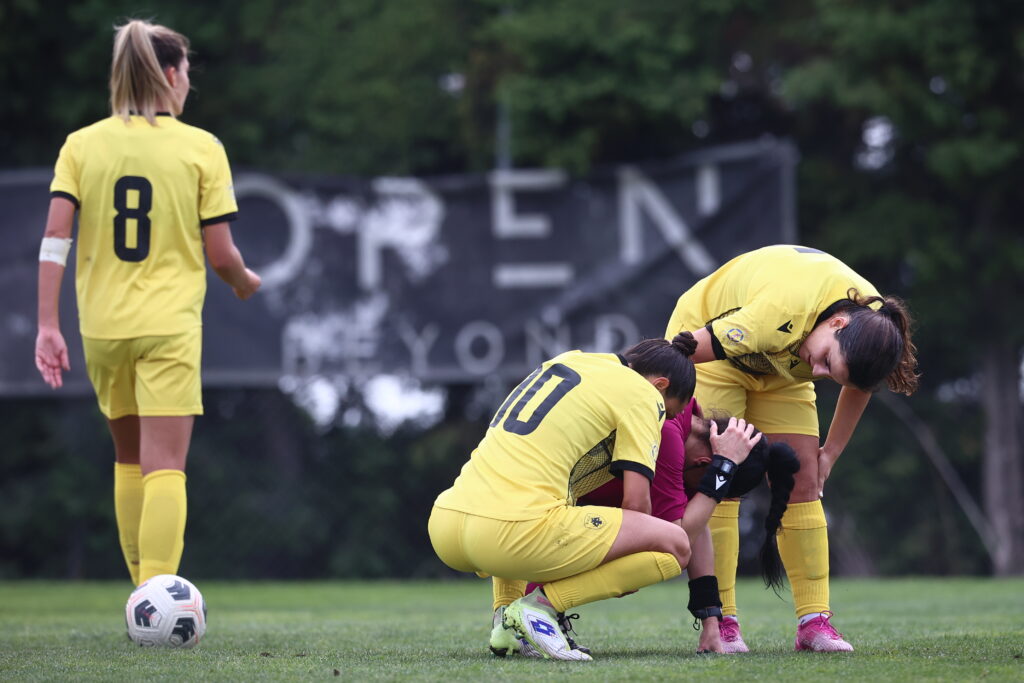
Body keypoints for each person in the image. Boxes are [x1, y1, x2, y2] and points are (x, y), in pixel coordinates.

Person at [34, 19, 261, 586]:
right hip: (168, 328)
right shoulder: (201, 147)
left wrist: (47, 324)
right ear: (171, 74)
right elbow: (221, 254)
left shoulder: (82, 145)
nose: (188, 83)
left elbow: (55, 238)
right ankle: (155, 595)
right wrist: (242, 281)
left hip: (102, 328)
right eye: (186, 72)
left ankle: (143, 594)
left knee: (129, 460)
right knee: (166, 468)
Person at [428, 334, 763, 661]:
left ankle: (506, 624)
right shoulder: (643, 395)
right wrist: (621, 570)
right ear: (660, 386)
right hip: (506, 532)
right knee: (673, 545)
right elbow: (639, 509)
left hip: (447, 524)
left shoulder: (571, 360)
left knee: (524, 493)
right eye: (668, 413)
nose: (666, 423)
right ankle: (541, 607)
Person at [664, 244, 918, 652]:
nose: (818, 372)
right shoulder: (779, 312)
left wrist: (829, 455)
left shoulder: (873, 324)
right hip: (712, 350)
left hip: (780, 366)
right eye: (825, 361)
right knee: (721, 476)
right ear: (836, 322)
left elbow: (857, 386)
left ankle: (815, 622)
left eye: (829, 372)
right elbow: (679, 354)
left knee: (804, 481)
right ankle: (722, 620)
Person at [487, 403, 799, 657]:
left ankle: (509, 619)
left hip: (513, 500)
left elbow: (697, 528)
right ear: (705, 461)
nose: (705, 499)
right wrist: (721, 475)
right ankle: (533, 610)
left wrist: (711, 622)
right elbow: (678, 537)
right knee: (655, 555)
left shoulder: (688, 414)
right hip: (517, 512)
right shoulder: (669, 438)